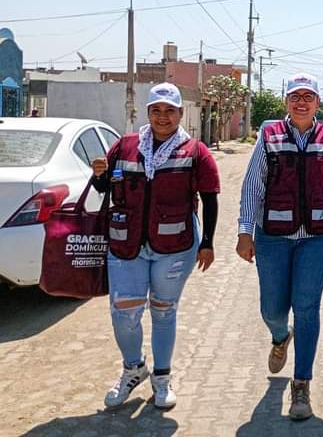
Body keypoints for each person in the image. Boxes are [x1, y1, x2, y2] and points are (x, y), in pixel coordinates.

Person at [91, 82, 220, 409]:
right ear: (148, 113)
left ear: (179, 113)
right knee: (124, 313)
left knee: (164, 312)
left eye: (170, 111)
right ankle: (133, 368)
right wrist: (98, 175)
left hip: (175, 246)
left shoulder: (195, 151)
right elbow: (104, 187)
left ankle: (162, 379)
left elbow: (209, 198)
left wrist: (208, 242)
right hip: (126, 244)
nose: (163, 117)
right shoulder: (125, 145)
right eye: (156, 110)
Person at [236, 73, 323, 421]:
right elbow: (252, 186)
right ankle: (279, 335)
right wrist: (245, 231)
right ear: (286, 101)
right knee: (272, 309)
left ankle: (301, 383)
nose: (301, 102)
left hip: (319, 237)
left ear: (318, 103)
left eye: (308, 96)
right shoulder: (269, 136)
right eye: (295, 96)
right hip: (273, 235)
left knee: (306, 306)